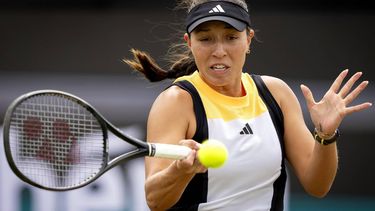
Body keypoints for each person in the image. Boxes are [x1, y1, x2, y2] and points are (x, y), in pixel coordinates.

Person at [124, 0, 372, 210]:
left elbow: (317, 186)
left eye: (231, 37)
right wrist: (182, 170)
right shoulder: (177, 102)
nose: (219, 50)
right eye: (206, 39)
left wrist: (325, 136)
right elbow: (155, 200)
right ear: (190, 42)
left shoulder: (275, 93)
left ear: (248, 40)